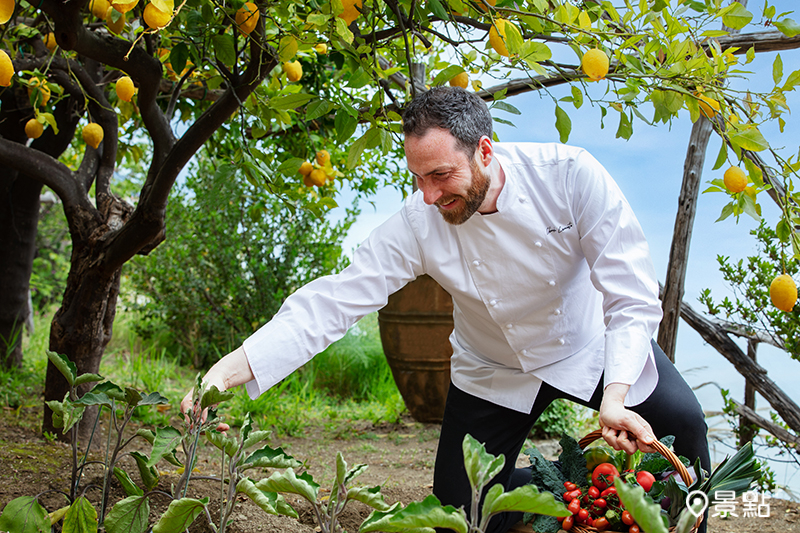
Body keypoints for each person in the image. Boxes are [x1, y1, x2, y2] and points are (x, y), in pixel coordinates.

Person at [182, 86, 709, 533]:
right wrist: (225, 373)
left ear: (484, 150)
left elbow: (631, 293)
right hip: (493, 368)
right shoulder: (419, 220)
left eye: (440, 175)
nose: (429, 195)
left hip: (586, 344)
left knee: (686, 426)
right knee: (462, 516)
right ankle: (566, 481)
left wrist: (615, 397)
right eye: (418, 178)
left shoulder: (570, 176)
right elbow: (334, 300)